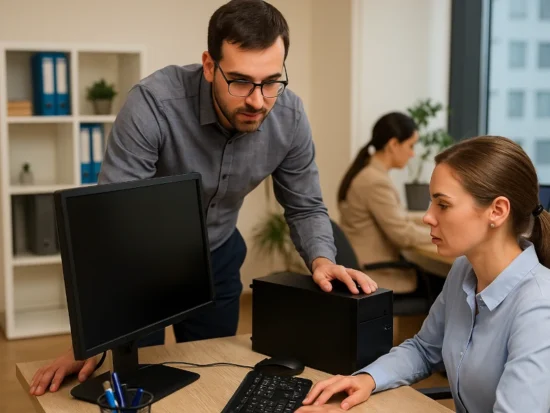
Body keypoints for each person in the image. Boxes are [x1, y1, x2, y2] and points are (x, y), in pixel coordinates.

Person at [29, 0, 378, 397]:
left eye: (271, 82)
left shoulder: (290, 116)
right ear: (209, 66)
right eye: (241, 81)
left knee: (211, 373)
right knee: (137, 382)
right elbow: (115, 219)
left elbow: (305, 205)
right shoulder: (154, 105)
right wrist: (94, 336)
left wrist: (322, 260)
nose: (258, 101)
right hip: (144, 262)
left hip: (219, 254)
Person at [298, 136, 550, 413]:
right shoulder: (464, 270)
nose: (427, 217)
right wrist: (366, 379)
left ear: (497, 211)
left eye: (442, 205)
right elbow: (423, 348)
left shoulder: (539, 308)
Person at [337, 112, 432, 293]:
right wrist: (443, 234)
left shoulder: (368, 172)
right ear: (393, 144)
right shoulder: (375, 182)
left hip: (366, 266)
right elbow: (402, 235)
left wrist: (431, 221)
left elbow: (399, 218)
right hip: (377, 273)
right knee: (442, 283)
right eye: (411, 146)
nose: (413, 154)